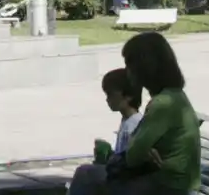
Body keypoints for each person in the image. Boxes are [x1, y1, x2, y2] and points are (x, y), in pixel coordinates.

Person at [69, 32, 201, 195]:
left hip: (168, 187)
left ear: (144, 67)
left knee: (86, 174)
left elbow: (133, 155)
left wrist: (142, 149)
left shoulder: (162, 104)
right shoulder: (176, 96)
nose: (127, 71)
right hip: (169, 184)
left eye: (129, 64)